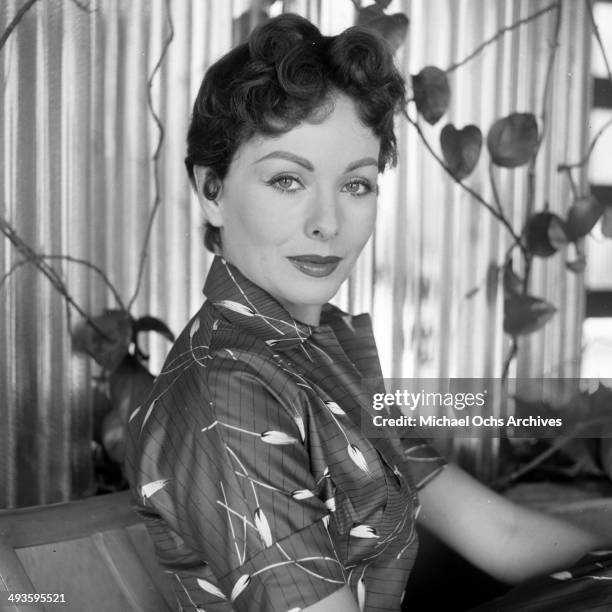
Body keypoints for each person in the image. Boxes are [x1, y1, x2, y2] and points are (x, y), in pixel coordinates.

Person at [125, 14, 611, 612]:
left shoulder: (326, 348)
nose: (327, 222)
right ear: (212, 190)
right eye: (286, 180)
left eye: (356, 185)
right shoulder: (226, 390)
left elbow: (501, 535)